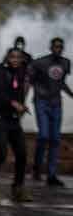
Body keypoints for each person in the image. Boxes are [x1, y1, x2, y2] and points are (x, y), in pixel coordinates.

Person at [0, 47, 32, 204]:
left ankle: (18, 188)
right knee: (1, 154)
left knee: (22, 154)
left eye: (19, 57)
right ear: (7, 58)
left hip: (13, 121)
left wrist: (22, 107)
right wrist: (13, 103)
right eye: (12, 57)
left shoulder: (21, 75)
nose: (15, 60)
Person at [30, 37, 72, 186]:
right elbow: (30, 80)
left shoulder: (66, 63)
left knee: (55, 139)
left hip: (56, 104)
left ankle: (51, 175)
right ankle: (36, 167)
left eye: (60, 47)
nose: (58, 49)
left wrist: (71, 94)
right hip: (41, 102)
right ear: (51, 47)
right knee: (43, 135)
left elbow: (61, 83)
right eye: (55, 46)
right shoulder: (40, 62)